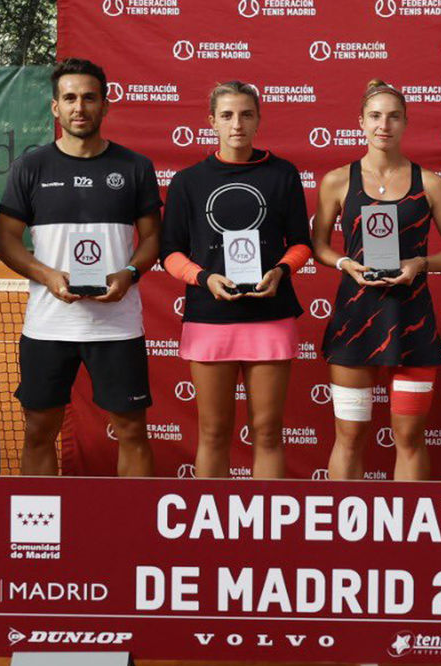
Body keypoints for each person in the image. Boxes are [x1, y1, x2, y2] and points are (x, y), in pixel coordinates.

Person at [0, 57, 162, 477]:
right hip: (48, 325)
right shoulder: (30, 167)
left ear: (105, 105)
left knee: (131, 429)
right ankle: (41, 532)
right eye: (69, 98)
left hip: (117, 325)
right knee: (38, 429)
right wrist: (48, 276)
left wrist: (130, 273)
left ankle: (135, 530)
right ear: (56, 107)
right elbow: (6, 242)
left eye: (89, 98)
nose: (79, 107)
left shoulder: (135, 167)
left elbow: (153, 239)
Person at [311, 80, 441, 480]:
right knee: (348, 435)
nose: (384, 125)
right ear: (360, 122)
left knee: (410, 437)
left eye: (394, 116)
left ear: (405, 122)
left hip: (411, 318)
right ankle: (342, 538)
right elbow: (319, 246)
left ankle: (408, 539)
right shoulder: (337, 181)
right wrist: (346, 262)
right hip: (354, 317)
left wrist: (421, 263)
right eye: (376, 116)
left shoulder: (430, 183)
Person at [160, 81, 311, 479]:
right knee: (212, 433)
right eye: (226, 115)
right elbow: (169, 252)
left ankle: (268, 534)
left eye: (246, 114)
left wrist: (281, 271)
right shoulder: (187, 181)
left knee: (268, 433)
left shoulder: (282, 174)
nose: (237, 124)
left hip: (270, 315)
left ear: (258, 119)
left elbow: (300, 243)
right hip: (210, 317)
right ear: (211, 122)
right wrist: (203, 277)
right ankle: (214, 536)